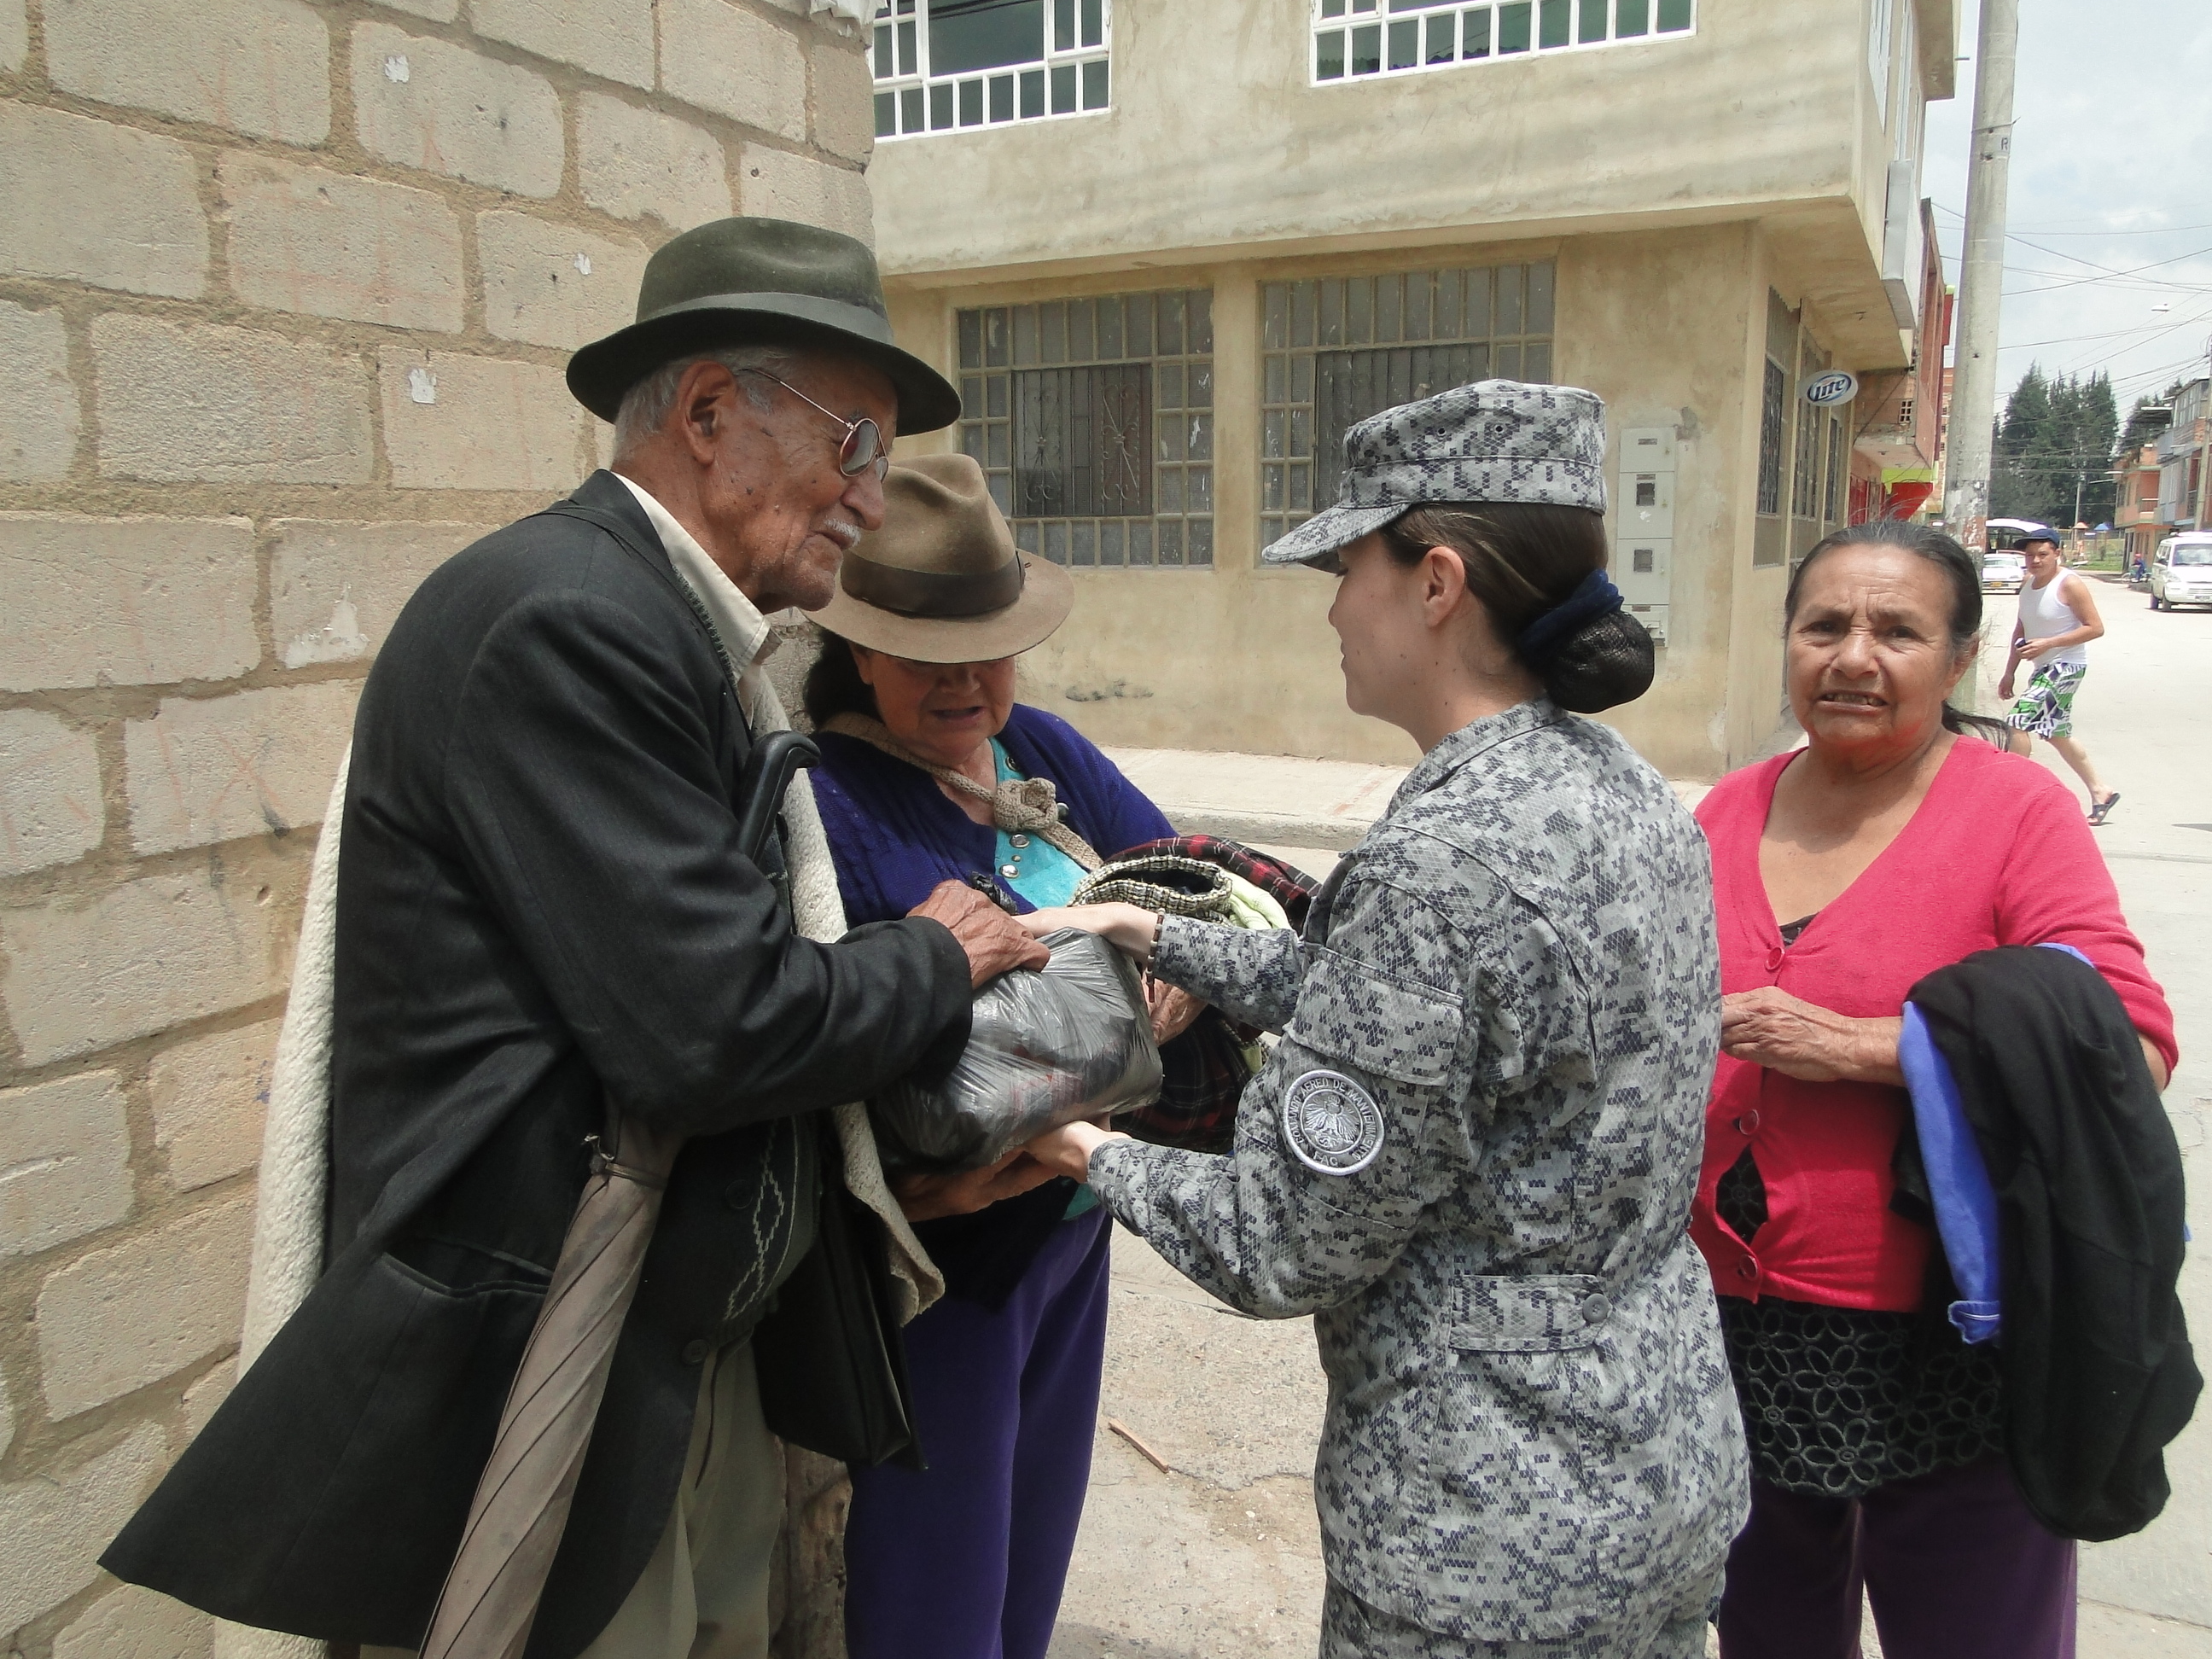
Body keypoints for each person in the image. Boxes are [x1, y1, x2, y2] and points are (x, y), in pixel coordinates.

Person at [100, 218, 1051, 1659]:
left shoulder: (676, 627)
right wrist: (937, 951)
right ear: (710, 412)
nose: (870, 495)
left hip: (657, 1345)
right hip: (551, 1357)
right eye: (853, 440)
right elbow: (717, 1030)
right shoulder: (569, 621)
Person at [1022, 381, 1750, 1659]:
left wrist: (1073, 1143)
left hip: (1482, 1536)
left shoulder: (1441, 863)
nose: (1331, 608)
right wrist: (1159, 932)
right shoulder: (1619, 788)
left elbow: (1276, 1243)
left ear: (1437, 584)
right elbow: (1418, 1024)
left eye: (1348, 566)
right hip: (1658, 1469)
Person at [1687, 519, 2177, 1658]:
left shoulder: (2014, 812)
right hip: (1727, 1323)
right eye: (1824, 626)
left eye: (1897, 632)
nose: (1853, 657)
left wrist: (1870, 1048)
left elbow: (2131, 1044)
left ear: (1959, 660)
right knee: (1766, 1631)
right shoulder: (1725, 809)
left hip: (1949, 1329)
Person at [795, 451, 1195, 1659]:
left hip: (1070, 1229)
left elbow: (1180, 878)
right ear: (862, 650)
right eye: (929, 654)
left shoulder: (1044, 757)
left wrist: (1178, 965)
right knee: (939, 1596)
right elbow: (815, 1032)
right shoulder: (829, 804)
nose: (967, 681)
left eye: (990, 648)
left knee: (1029, 1568)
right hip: (943, 1266)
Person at [1999, 527, 2116, 823]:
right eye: (2030, 555)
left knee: (2017, 722)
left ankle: (2009, 795)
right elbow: (2021, 629)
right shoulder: (2028, 583)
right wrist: (2009, 672)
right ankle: (2100, 790)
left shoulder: (2069, 584)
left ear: (2057, 554)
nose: (2035, 561)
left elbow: (2095, 628)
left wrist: (2049, 643)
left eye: (2042, 554)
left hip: (2066, 666)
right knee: (2055, 733)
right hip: (2043, 667)